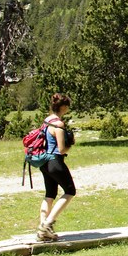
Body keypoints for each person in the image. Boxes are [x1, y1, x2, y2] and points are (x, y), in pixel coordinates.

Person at [37, 92, 76, 242]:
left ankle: (42, 228)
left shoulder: (46, 120)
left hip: (44, 162)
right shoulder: (58, 124)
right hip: (55, 161)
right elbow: (61, 149)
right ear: (64, 107)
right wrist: (71, 143)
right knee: (70, 191)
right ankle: (48, 224)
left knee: (50, 194)